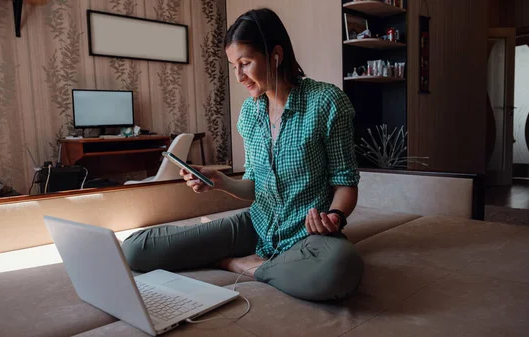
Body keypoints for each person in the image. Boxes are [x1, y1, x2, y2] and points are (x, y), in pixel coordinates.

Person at [122, 7, 363, 301]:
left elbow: (345, 184)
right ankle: (260, 263)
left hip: (308, 236)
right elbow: (254, 187)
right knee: (136, 249)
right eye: (233, 65)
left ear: (275, 55)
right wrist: (220, 181)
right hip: (257, 224)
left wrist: (335, 216)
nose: (238, 76)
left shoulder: (326, 102)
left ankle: (243, 265)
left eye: (245, 63)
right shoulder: (250, 113)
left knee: (340, 268)